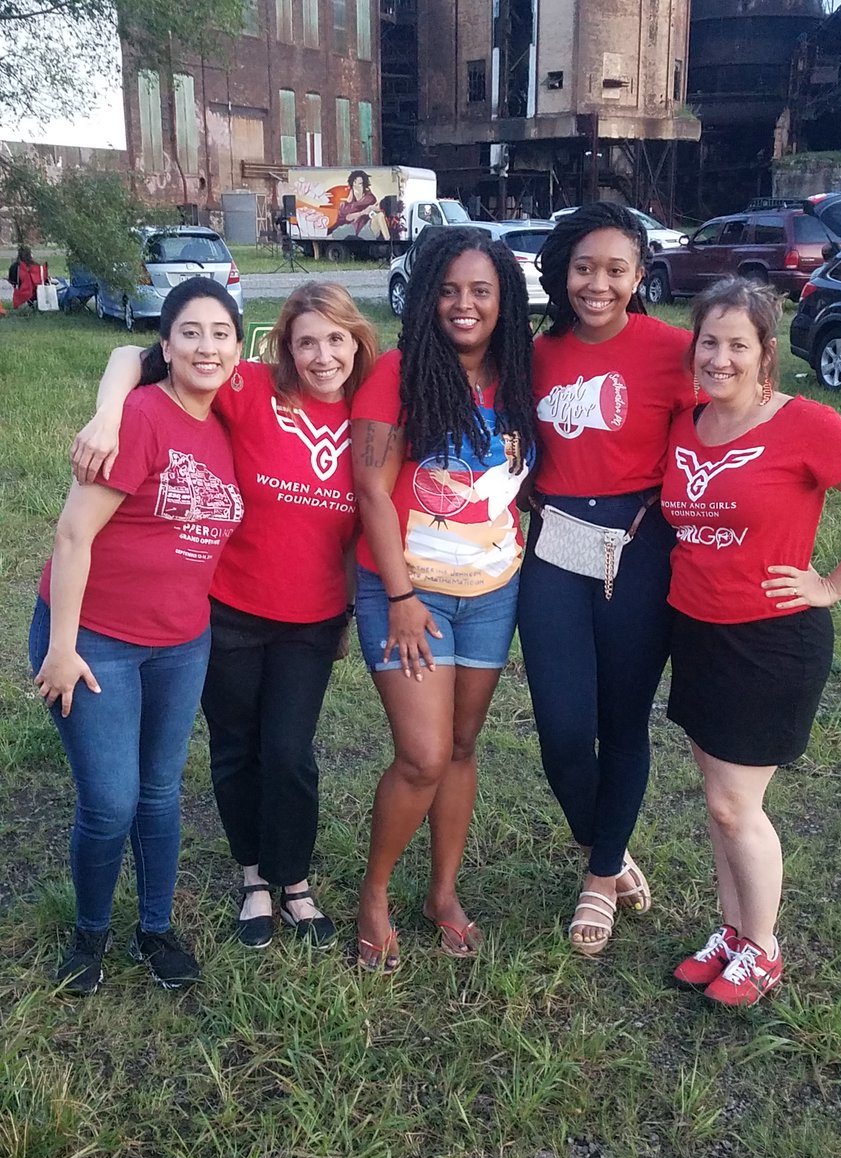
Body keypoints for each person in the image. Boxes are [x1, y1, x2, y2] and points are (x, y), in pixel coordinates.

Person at [70, 283, 379, 951]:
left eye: (336, 339)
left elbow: (364, 527)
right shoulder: (251, 388)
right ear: (283, 349)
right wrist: (107, 415)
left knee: (289, 753)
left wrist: (351, 613)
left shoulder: (373, 411)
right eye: (306, 342)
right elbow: (135, 349)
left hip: (313, 618)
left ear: (358, 340)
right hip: (230, 607)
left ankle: (293, 881)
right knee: (236, 747)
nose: (323, 356)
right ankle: (253, 880)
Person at [662, 277, 841, 1006]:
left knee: (737, 804)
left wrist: (831, 586)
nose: (720, 357)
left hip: (771, 641)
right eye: (709, 341)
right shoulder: (688, 424)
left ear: (766, 352)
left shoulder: (806, 424)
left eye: (739, 344)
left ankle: (763, 946)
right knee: (716, 799)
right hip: (697, 632)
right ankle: (733, 932)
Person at [30, 278, 245, 994]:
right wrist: (62, 648)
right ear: (168, 345)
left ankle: (154, 931)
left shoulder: (225, 426)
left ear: (238, 349)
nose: (205, 346)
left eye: (220, 332)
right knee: (111, 801)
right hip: (96, 639)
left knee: (159, 794)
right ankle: (91, 933)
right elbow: (71, 534)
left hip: (184, 642)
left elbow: (125, 347)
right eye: (190, 332)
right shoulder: (143, 415)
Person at [350, 225, 535, 971]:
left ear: (504, 300)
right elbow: (369, 485)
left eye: (481, 291)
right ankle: (374, 892)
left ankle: (443, 893)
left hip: (492, 590)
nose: (464, 305)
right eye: (450, 290)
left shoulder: (522, 373)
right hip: (408, 593)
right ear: (428, 296)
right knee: (422, 755)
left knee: (462, 747)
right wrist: (399, 593)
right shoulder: (398, 371)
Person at [517, 202, 695, 957]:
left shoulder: (675, 351)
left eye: (616, 269)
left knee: (622, 723)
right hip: (554, 545)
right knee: (561, 731)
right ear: (559, 272)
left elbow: (733, 420)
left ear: (639, 275)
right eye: (583, 267)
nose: (598, 283)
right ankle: (609, 846)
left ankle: (596, 879)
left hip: (639, 544)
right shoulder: (535, 352)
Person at [331, 171, 390, 242]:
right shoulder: (345, 205)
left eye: (360, 184)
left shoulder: (369, 198)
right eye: (354, 183)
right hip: (349, 229)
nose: (357, 186)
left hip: (365, 228)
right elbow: (347, 217)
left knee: (380, 216)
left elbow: (376, 209)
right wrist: (362, 212)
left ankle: (388, 242)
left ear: (364, 186)